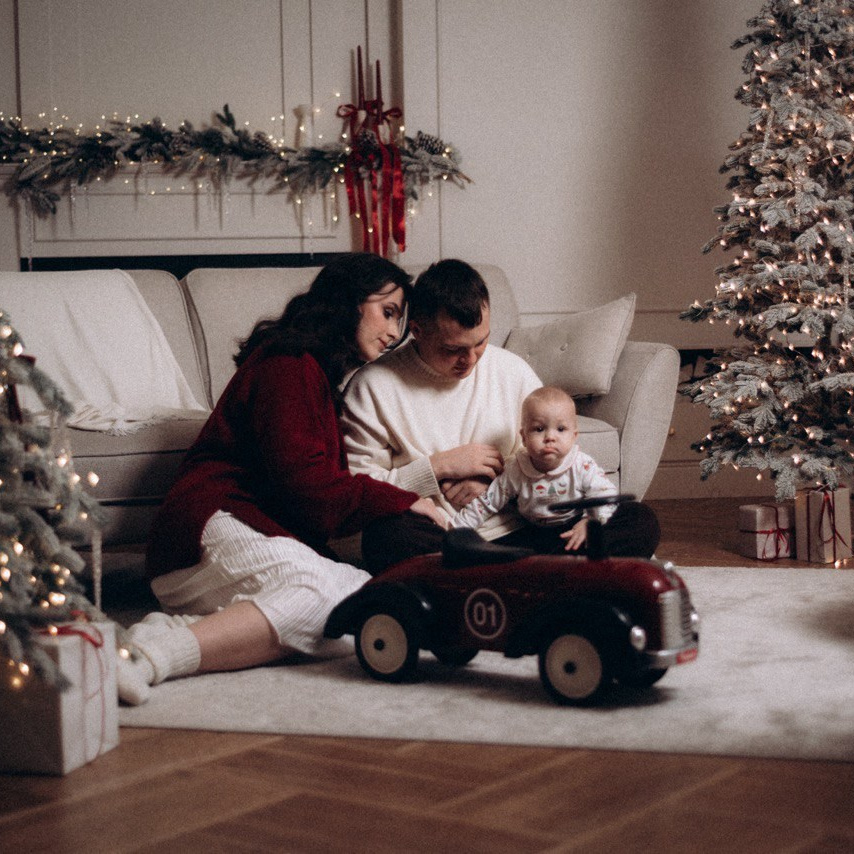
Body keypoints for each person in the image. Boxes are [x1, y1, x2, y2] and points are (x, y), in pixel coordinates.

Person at [117, 253, 446, 705]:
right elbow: (309, 487)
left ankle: (184, 627)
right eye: (388, 313)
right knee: (319, 600)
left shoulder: (316, 372)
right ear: (349, 300)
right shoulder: (287, 365)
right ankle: (151, 656)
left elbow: (316, 489)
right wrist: (403, 499)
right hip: (206, 524)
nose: (394, 333)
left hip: (251, 524)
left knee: (358, 594)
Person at [341, 258, 541, 573]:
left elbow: (558, 459)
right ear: (417, 331)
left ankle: (496, 576)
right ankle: (529, 576)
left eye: (481, 342)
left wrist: (500, 490)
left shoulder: (513, 371)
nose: (471, 359)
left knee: (633, 520)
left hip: (516, 528)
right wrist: (438, 467)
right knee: (386, 536)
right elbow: (356, 493)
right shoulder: (373, 386)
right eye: (453, 350)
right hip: (439, 538)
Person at [449, 386, 660, 557]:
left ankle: (569, 568)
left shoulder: (581, 465)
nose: (550, 437)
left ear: (574, 435)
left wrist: (590, 523)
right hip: (534, 535)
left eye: (561, 430)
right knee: (502, 555)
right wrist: (455, 530)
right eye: (539, 429)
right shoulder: (516, 468)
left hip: (575, 527)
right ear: (523, 437)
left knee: (640, 517)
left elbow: (604, 496)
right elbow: (487, 502)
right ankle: (558, 570)